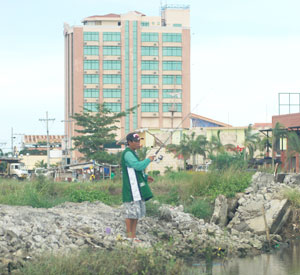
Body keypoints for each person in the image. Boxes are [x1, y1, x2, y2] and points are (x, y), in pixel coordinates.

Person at [121, 132, 155, 241]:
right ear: (129, 142)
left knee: (136, 213)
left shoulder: (133, 153)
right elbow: (137, 166)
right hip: (130, 188)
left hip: (136, 187)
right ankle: (129, 236)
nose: (137, 143)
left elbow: (135, 171)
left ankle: (133, 236)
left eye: (139, 141)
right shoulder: (127, 154)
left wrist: (145, 177)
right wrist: (148, 160)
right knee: (130, 213)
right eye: (135, 141)